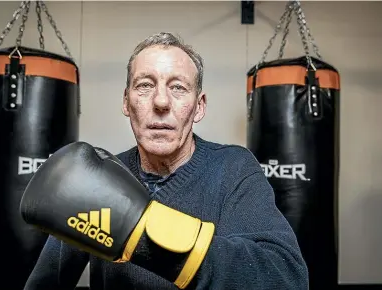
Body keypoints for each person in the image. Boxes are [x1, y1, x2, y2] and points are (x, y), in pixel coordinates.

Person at [23, 32, 309, 290]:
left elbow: (287, 278)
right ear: (126, 101)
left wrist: (141, 231)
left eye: (178, 88)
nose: (161, 102)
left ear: (199, 106)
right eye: (145, 85)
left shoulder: (233, 169)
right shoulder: (94, 180)